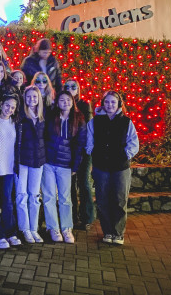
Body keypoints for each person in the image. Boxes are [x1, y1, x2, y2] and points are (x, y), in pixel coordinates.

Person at [86, 91, 139, 245]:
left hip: (120, 167)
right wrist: (93, 152)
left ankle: (118, 233)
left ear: (119, 104)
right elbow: (89, 141)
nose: (110, 105)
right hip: (101, 167)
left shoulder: (126, 122)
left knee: (119, 200)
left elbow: (133, 143)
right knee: (103, 200)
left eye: (113, 102)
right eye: (107, 102)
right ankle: (107, 231)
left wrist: (124, 154)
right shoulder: (95, 122)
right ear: (103, 103)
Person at [42, 91, 86, 244]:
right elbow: (44, 137)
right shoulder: (51, 116)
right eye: (62, 100)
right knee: (48, 196)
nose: (65, 102)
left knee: (65, 198)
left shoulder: (79, 119)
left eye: (68, 100)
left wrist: (75, 165)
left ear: (72, 102)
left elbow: (80, 144)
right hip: (48, 162)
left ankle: (67, 228)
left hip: (65, 164)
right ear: (58, 102)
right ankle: (53, 227)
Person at [0, 94, 22, 249]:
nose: (9, 109)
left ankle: (10, 232)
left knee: (7, 201)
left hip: (9, 168)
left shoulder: (16, 123)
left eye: (13, 107)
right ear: (1, 104)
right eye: (7, 105)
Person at [15, 85, 46, 244]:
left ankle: (34, 228)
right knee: (21, 196)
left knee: (34, 196)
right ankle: (25, 228)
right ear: (24, 98)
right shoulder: (20, 115)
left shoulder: (42, 116)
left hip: (38, 160)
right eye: (29, 97)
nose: (32, 99)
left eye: (35, 97)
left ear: (39, 98)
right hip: (22, 160)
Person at [63, 79, 95, 229]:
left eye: (73, 86)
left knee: (84, 184)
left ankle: (87, 218)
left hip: (83, 150)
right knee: (69, 186)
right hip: (68, 151)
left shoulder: (83, 105)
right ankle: (73, 217)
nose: (70, 88)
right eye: (67, 86)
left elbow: (88, 128)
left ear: (78, 89)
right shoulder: (62, 103)